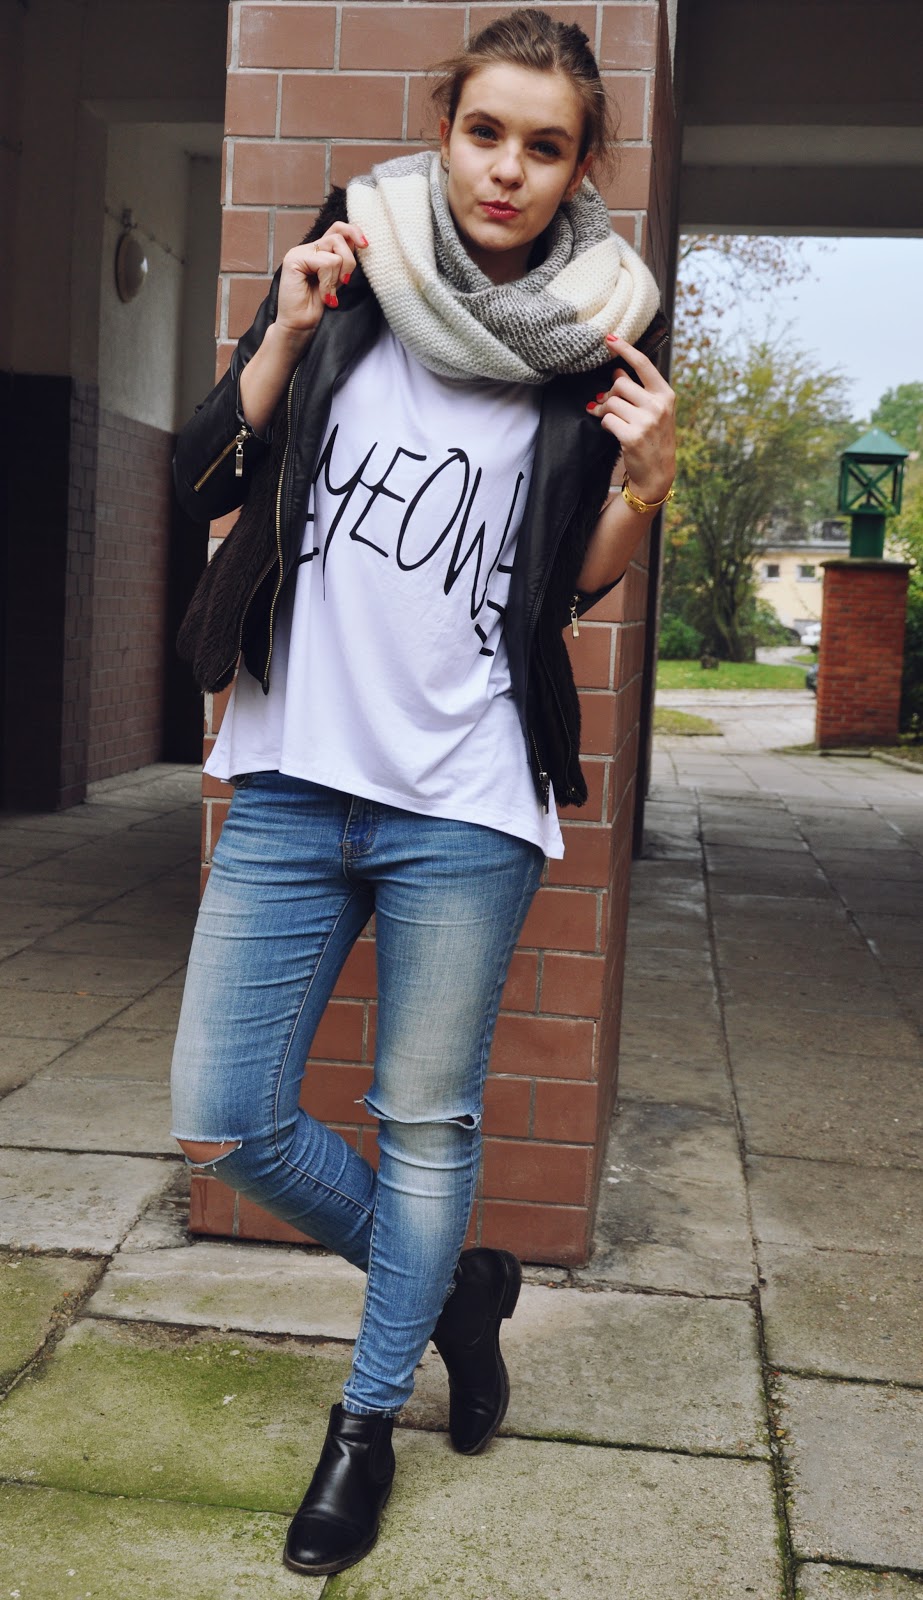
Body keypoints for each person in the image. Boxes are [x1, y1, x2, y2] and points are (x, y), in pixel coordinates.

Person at [170, 6, 675, 1579]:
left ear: (581, 167)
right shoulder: (350, 269)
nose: (507, 168)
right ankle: (455, 1284)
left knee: (425, 1122)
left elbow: (569, 587)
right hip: (292, 775)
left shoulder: (601, 335)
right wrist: (278, 336)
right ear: (443, 130)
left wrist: (647, 492)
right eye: (484, 131)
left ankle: (365, 1422)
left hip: (464, 796)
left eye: (545, 145)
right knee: (227, 1116)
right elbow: (202, 474)